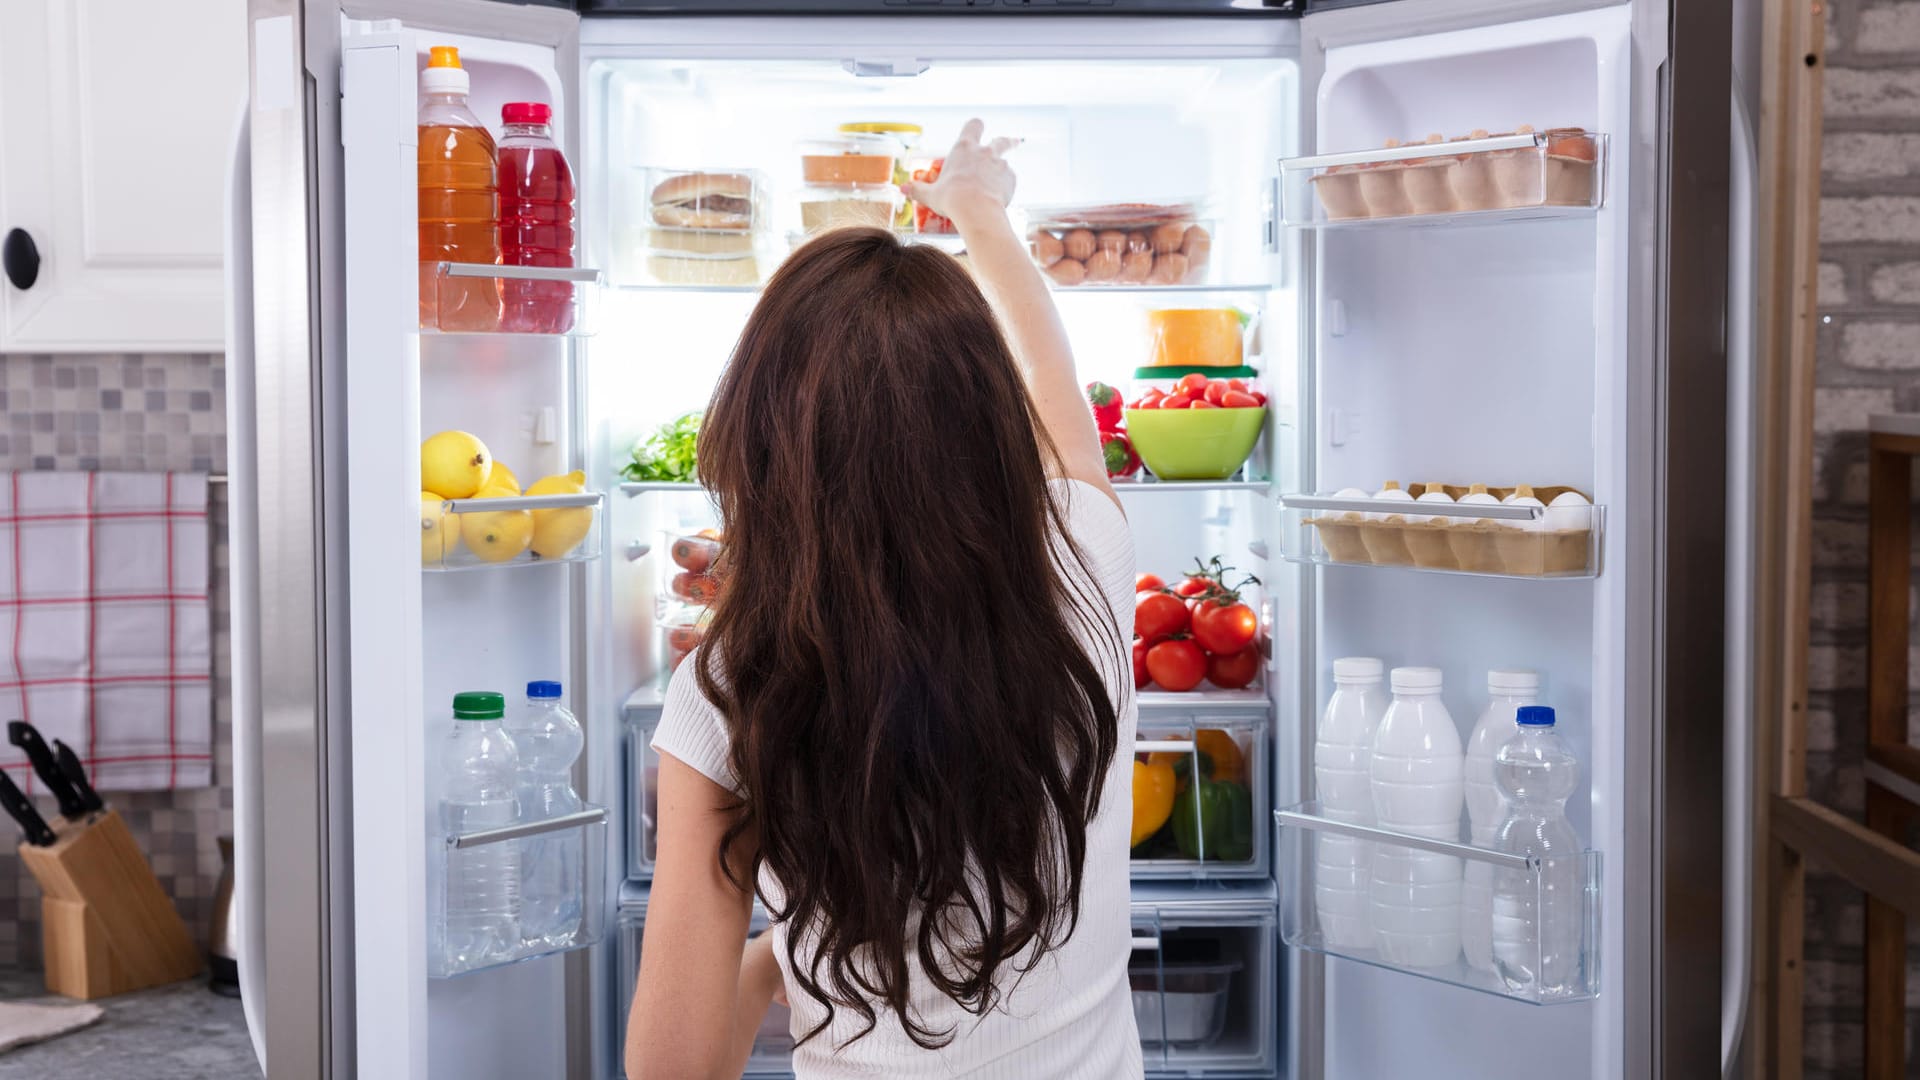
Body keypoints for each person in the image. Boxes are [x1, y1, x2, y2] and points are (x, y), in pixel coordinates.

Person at [625, 120, 1141, 1080]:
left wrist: (770, 962)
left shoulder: (728, 688)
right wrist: (979, 211)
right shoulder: (1091, 566)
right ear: (993, 430)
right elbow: (1055, 381)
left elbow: (672, 1069)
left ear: (764, 444)